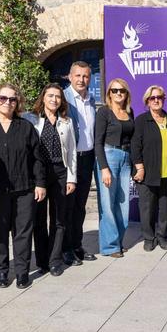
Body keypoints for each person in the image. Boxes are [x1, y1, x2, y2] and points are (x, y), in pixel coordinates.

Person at [0, 83, 46, 290]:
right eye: (3, 98)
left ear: (17, 103)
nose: (7, 102)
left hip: (24, 189)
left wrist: (40, 183)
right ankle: (1, 272)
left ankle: (22, 273)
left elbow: (37, 158)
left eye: (12, 99)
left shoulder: (26, 127)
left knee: (23, 233)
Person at [25, 84, 77, 277]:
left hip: (60, 172)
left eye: (58, 96)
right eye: (50, 96)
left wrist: (71, 178)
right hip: (39, 174)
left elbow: (72, 151)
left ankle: (55, 260)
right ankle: (42, 261)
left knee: (59, 219)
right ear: (43, 98)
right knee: (38, 219)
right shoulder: (31, 120)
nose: (54, 99)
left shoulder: (66, 121)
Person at [132, 85, 167, 251]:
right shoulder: (142, 120)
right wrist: (139, 168)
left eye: (159, 97)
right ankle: (149, 238)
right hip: (148, 173)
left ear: (164, 99)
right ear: (147, 101)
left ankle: (162, 237)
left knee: (165, 208)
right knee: (147, 208)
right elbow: (135, 146)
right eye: (152, 98)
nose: (156, 100)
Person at [95, 78, 135, 258]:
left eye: (122, 90)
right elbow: (98, 142)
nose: (118, 93)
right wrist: (104, 168)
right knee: (107, 204)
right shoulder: (104, 112)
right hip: (108, 156)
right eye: (115, 90)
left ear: (126, 94)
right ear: (109, 93)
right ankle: (110, 246)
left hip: (126, 159)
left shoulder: (129, 112)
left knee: (123, 204)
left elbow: (132, 140)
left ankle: (118, 241)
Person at [63, 60, 97, 265]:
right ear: (70, 76)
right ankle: (65, 249)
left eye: (85, 76)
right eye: (78, 75)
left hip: (87, 159)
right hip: (70, 160)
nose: (81, 80)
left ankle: (77, 245)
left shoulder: (91, 100)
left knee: (80, 207)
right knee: (67, 206)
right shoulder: (63, 99)